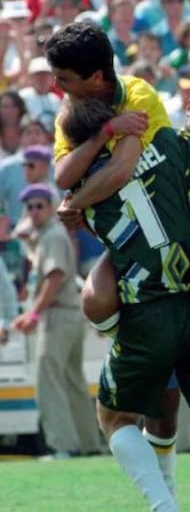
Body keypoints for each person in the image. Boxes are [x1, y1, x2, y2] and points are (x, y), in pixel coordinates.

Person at [46, 22, 190, 512]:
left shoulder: (84, 193)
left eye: (64, 80)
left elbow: (71, 176)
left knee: (114, 418)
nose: (57, 88)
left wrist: (79, 198)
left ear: (93, 81)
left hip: (145, 313)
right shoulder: (168, 139)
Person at [11, 184, 101, 458]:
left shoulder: (51, 236)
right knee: (73, 380)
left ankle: (63, 445)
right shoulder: (44, 237)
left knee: (48, 379)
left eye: (39, 206)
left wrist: (34, 314)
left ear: (51, 208)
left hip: (58, 314)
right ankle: (88, 444)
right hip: (67, 315)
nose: (34, 212)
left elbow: (55, 277)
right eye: (29, 207)